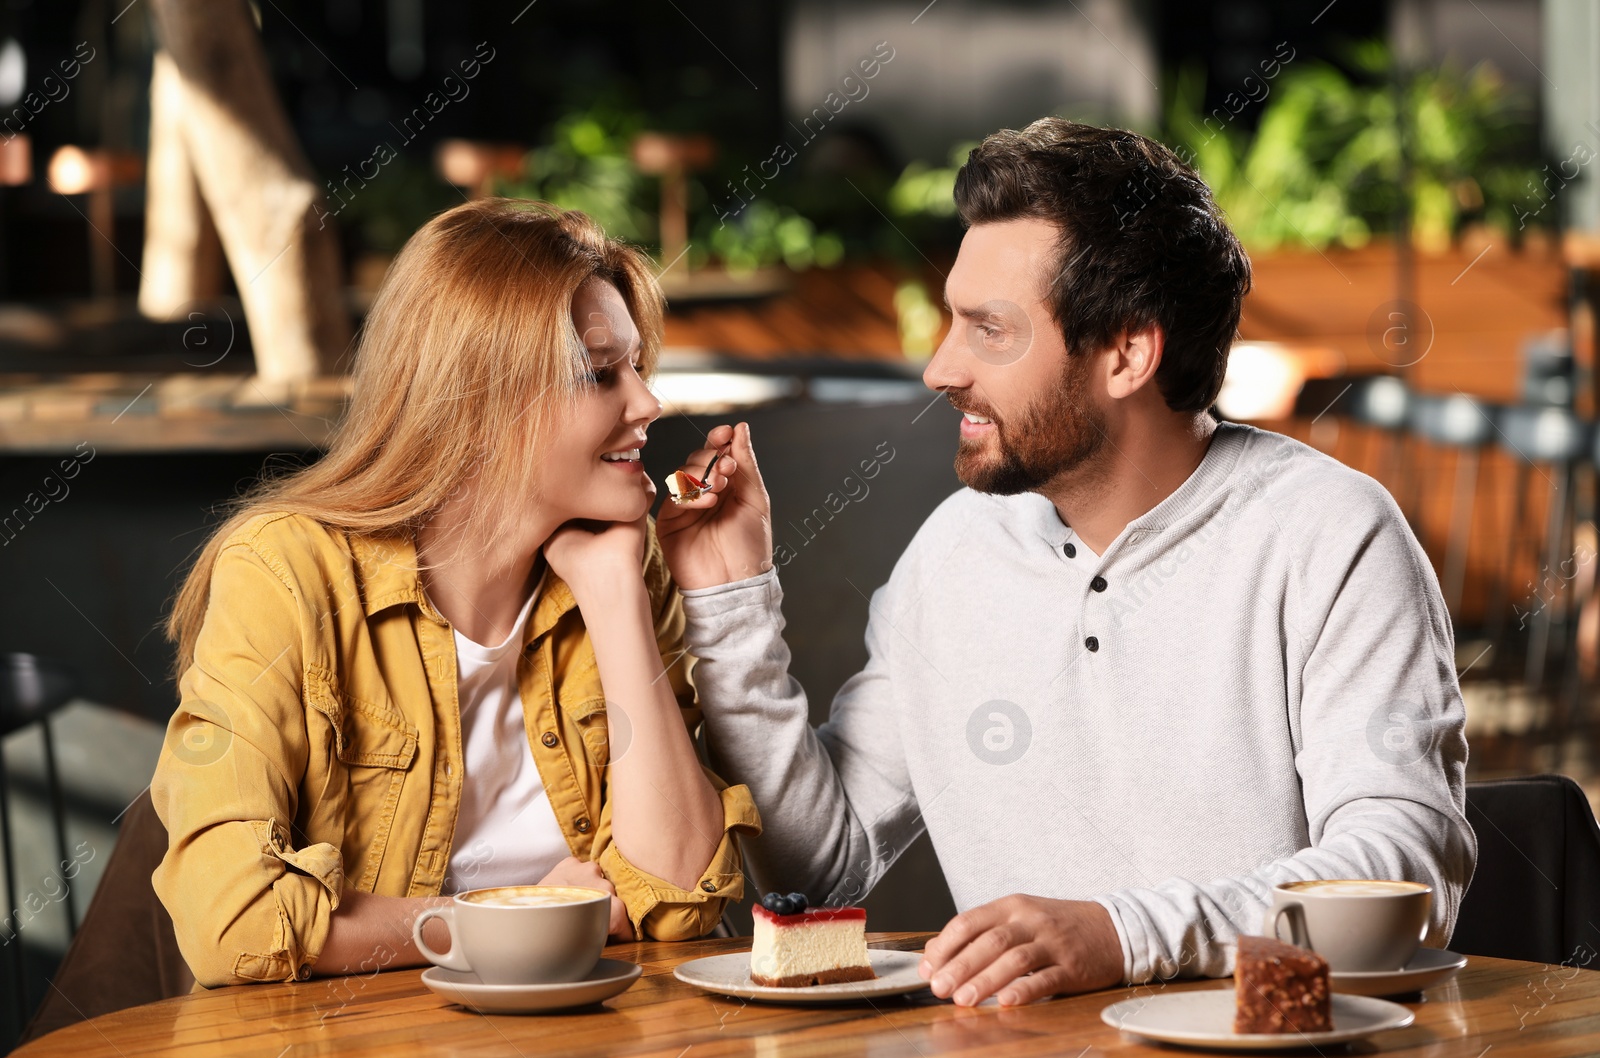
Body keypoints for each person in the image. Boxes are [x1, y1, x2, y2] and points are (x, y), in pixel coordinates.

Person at [658, 119, 1476, 1006]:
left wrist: (1123, 934)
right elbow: (822, 867)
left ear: (1127, 351)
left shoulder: (1332, 535)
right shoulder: (952, 554)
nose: (940, 367)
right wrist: (730, 603)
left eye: (990, 331)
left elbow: (1408, 872)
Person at [151, 200, 759, 987]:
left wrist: (615, 601)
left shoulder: (622, 563)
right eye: (599, 374)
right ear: (476, 404)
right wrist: (507, 919)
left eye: (638, 367)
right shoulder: (284, 572)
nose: (647, 404)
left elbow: (679, 894)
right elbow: (233, 923)